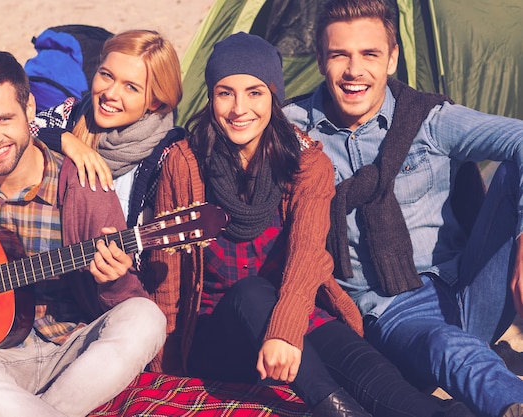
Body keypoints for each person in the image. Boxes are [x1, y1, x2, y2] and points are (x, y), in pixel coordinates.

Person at [144, 32, 473, 417]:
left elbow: (306, 256)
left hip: (291, 313)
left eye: (254, 93)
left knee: (365, 367)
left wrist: (284, 331)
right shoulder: (185, 164)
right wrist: (163, 368)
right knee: (251, 292)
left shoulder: (306, 163)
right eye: (224, 93)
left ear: (273, 97)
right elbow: (166, 274)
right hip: (217, 335)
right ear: (211, 97)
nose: (238, 109)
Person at [282, 1, 523, 416]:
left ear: (392, 58)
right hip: (393, 310)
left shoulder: (427, 118)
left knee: (511, 174)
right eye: (340, 55)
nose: (355, 70)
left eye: (370, 54)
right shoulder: (292, 131)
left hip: (470, 284)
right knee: (447, 345)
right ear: (321, 59)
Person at [0, 50, 166, 417]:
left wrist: (114, 280)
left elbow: (123, 301)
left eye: (4, 118)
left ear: (29, 111)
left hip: (76, 353)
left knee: (146, 317)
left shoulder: (83, 186)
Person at [31, 29, 184, 228]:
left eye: (131, 87)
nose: (110, 93)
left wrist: (127, 260)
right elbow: (9, 136)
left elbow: (164, 244)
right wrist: (63, 139)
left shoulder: (167, 157)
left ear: (154, 101)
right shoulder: (71, 114)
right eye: (106, 75)